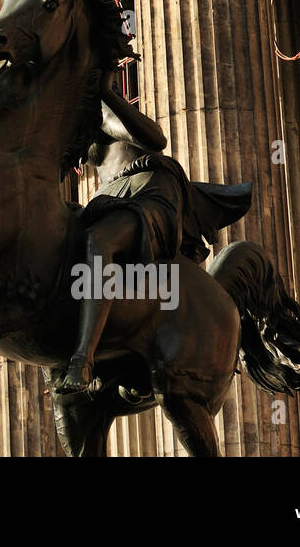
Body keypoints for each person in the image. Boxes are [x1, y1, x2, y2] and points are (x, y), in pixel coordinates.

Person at [59, 69, 251, 393]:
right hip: (108, 198)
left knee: (99, 242)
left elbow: (154, 140)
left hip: (146, 190)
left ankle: (84, 358)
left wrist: (106, 95)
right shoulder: (74, 122)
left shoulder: (104, 114)